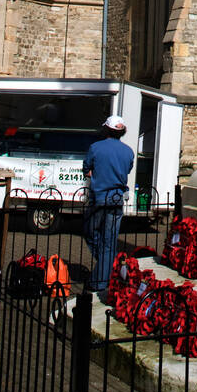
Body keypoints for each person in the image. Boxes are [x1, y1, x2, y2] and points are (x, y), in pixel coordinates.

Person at [82, 116, 134, 300]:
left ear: (107, 130)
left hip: (99, 198)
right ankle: (108, 267)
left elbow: (86, 168)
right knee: (109, 241)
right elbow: (127, 170)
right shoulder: (128, 152)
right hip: (116, 199)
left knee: (90, 232)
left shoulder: (96, 148)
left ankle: (100, 280)